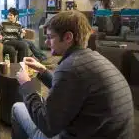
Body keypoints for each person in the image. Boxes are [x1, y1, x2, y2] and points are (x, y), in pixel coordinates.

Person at [12, 11, 134, 139]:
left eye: (50, 37)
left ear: (68, 38)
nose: (47, 43)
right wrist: (43, 71)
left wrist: (26, 85)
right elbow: (73, 89)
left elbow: (48, 126)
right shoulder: (93, 58)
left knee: (17, 108)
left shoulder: (70, 68)